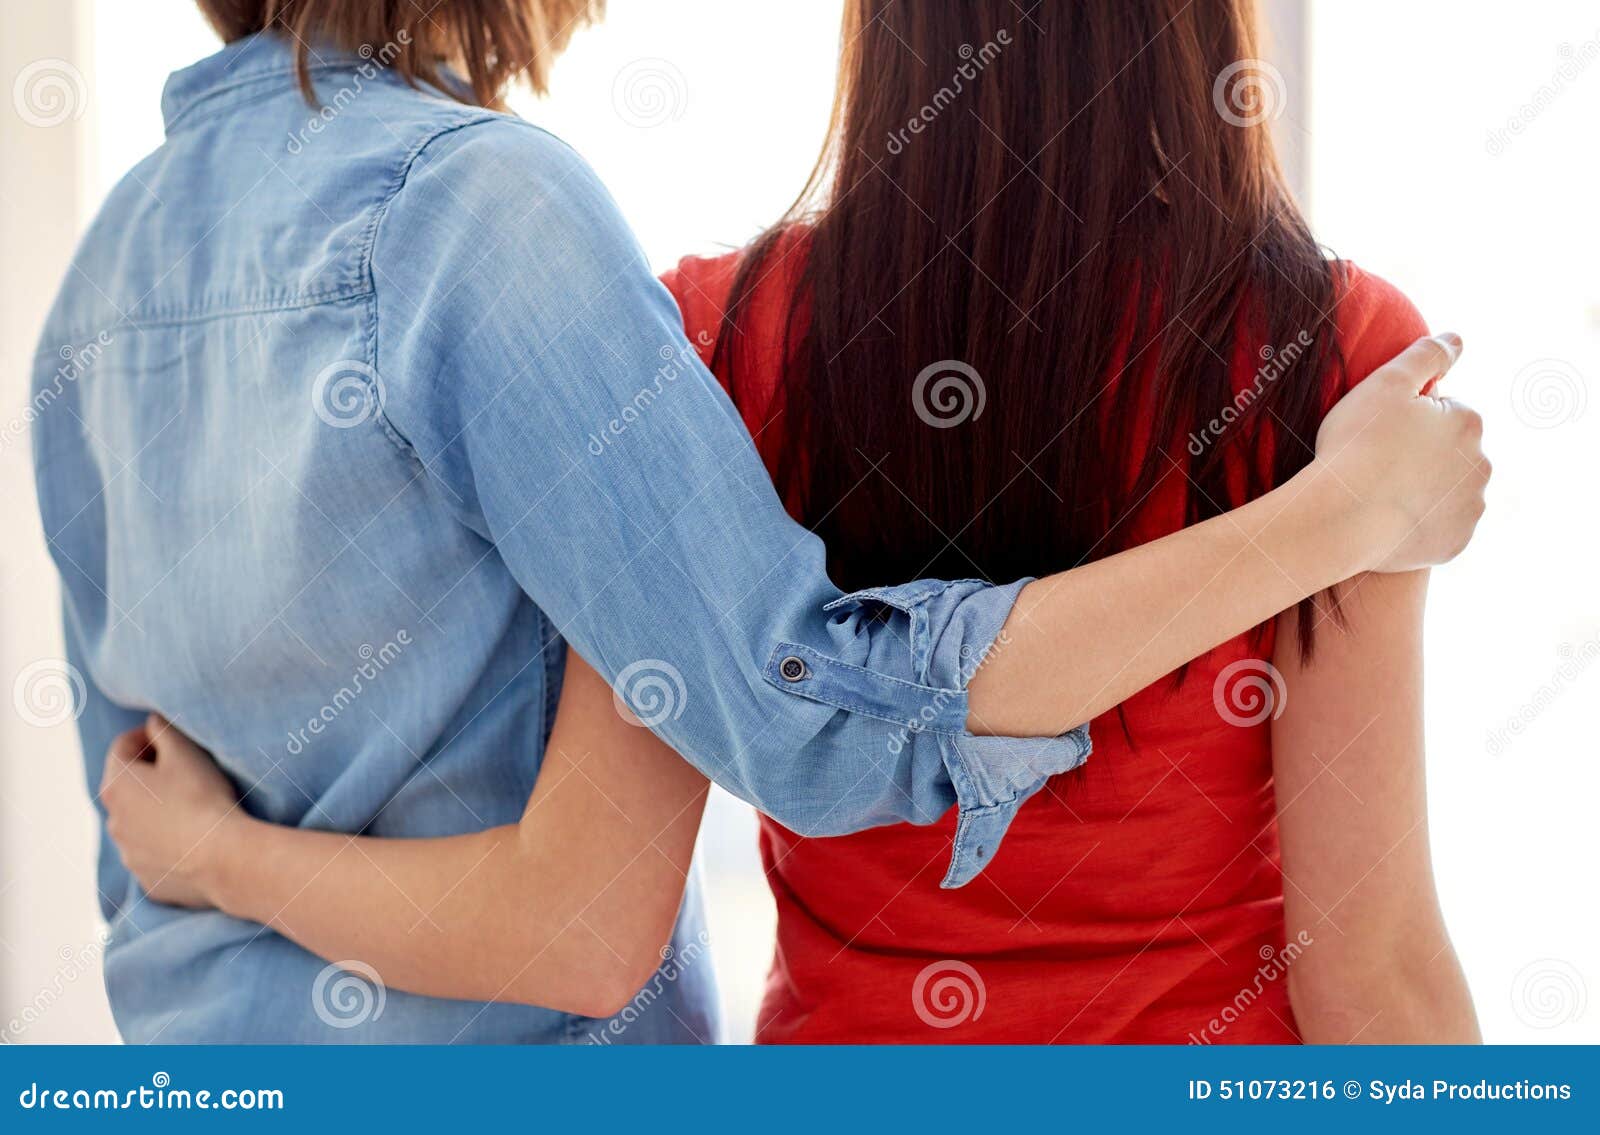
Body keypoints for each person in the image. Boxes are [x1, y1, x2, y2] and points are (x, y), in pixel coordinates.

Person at [62, 0, 1486, 1043]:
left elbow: (138, 779)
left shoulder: (720, 338)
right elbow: (1369, 973)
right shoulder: (1336, 362)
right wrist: (1335, 516)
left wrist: (212, 861)